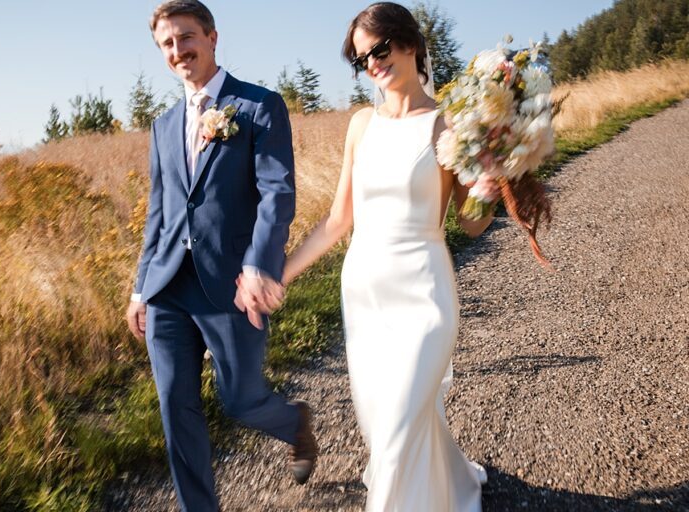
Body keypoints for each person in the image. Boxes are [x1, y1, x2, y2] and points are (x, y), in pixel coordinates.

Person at [280, 3, 492, 510]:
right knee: (387, 426)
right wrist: (280, 272)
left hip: (424, 293)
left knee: (399, 426)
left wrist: (486, 184)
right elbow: (337, 221)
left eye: (379, 49)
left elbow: (471, 223)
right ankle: (449, 483)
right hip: (364, 292)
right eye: (361, 58)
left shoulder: (449, 126)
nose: (372, 63)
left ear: (410, 44)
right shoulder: (360, 124)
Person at [125, 2, 317, 510]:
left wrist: (259, 265)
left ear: (212, 37)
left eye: (185, 37)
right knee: (175, 409)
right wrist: (141, 287)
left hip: (230, 282)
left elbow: (277, 194)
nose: (177, 50)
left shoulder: (258, 105)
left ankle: (296, 423)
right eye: (166, 44)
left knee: (241, 402)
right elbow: (158, 212)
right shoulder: (163, 125)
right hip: (168, 286)